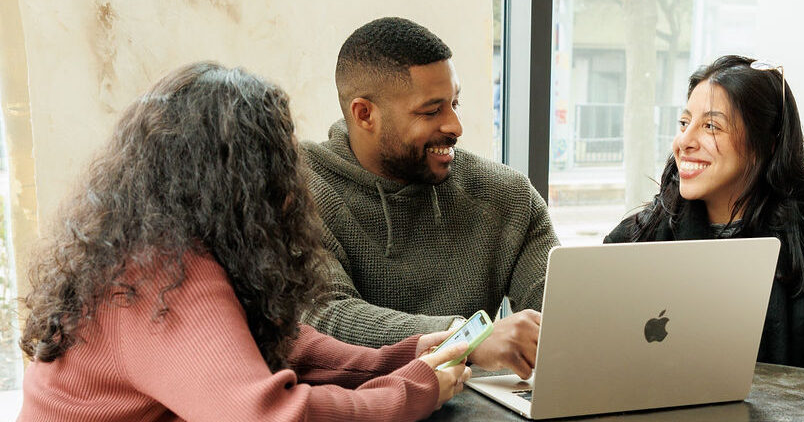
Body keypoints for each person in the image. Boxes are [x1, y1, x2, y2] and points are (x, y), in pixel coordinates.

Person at [18, 62, 471, 422]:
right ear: (241, 179)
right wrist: (410, 390)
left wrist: (403, 357)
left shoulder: (164, 249)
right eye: (282, 160)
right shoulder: (158, 275)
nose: (292, 178)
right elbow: (270, 417)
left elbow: (285, 344)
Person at [605, 55, 804, 386]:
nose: (684, 142)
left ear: (767, 143)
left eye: (710, 126)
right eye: (684, 123)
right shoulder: (635, 240)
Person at [301, 17, 559, 379]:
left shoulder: (507, 196)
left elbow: (561, 321)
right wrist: (466, 339)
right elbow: (324, 316)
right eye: (431, 110)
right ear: (365, 115)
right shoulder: (300, 189)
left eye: (455, 103)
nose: (455, 126)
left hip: (474, 408)